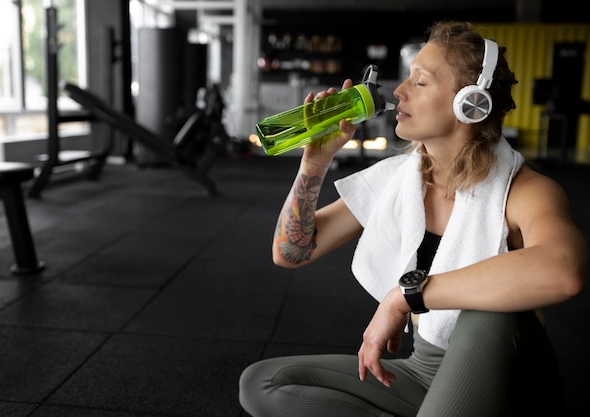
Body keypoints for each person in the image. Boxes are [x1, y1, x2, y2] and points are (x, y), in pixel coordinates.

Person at [239, 20, 587, 417]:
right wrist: (315, 162)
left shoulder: (524, 191)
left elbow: (564, 271)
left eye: (420, 83)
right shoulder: (399, 180)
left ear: (470, 102)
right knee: (263, 383)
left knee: (488, 305)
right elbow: (291, 252)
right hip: (425, 369)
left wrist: (404, 297)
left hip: (506, 375)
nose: (399, 91)